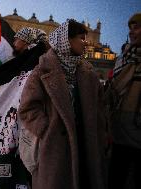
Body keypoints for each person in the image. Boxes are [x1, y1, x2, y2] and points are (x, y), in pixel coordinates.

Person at [19, 19, 108, 189]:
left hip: (86, 145)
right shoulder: (42, 71)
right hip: (56, 150)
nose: (86, 42)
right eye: (81, 38)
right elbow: (27, 108)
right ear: (66, 40)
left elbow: (100, 107)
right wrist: (47, 130)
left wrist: (101, 134)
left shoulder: (89, 73)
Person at [107, 13, 141, 189]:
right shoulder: (124, 57)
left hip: (137, 132)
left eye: (137, 27)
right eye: (130, 27)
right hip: (119, 133)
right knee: (115, 180)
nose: (132, 32)